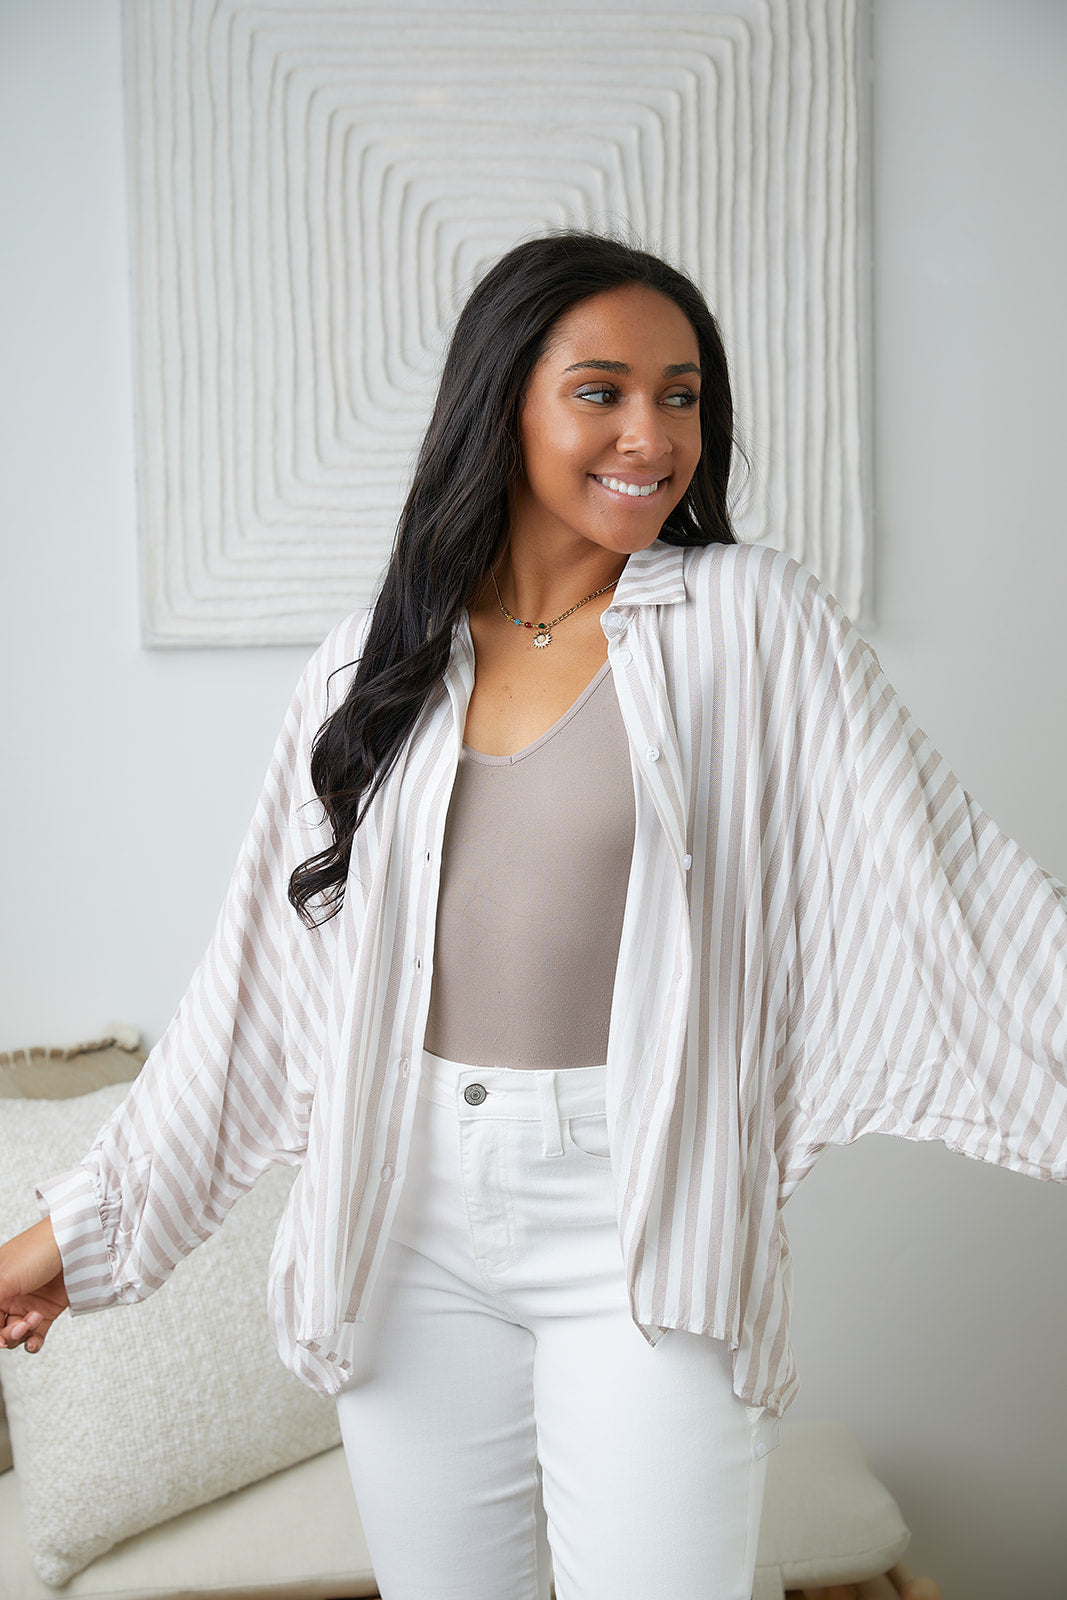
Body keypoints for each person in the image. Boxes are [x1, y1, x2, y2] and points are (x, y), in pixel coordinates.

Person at [0, 231, 1065, 1600]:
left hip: (641, 1214)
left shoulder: (749, 625)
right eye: (601, 392)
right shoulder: (367, 667)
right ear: (502, 402)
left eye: (682, 397)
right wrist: (71, 1236)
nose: (652, 436)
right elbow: (251, 995)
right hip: (401, 1224)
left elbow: (959, 885)